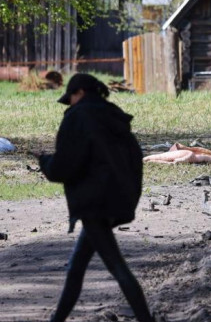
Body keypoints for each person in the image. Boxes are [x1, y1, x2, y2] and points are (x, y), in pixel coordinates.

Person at [38, 73, 154, 322]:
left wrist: (45, 162)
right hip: (118, 199)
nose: (69, 103)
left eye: (70, 98)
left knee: (117, 268)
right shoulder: (114, 116)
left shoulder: (78, 118)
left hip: (93, 204)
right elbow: (134, 161)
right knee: (76, 268)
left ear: (79, 93)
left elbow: (64, 166)